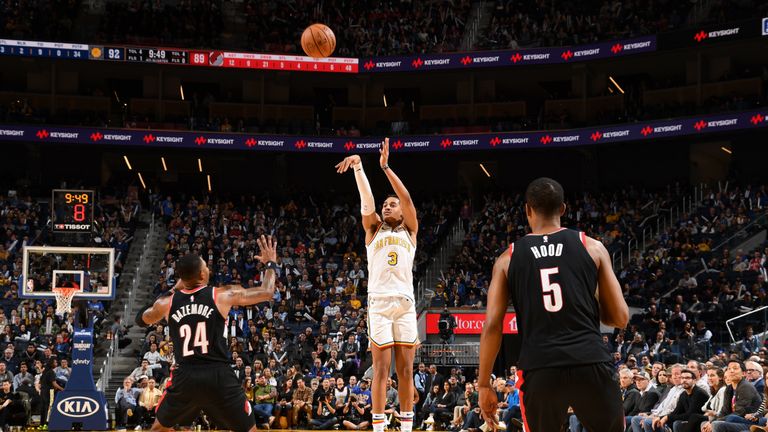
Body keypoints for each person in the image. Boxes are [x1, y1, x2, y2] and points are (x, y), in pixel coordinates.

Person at [477, 177, 629, 432]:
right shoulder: (593, 247)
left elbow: (492, 325)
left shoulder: (507, 258)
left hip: (539, 367)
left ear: (527, 210)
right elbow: (620, 318)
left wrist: (483, 384)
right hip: (590, 361)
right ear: (563, 209)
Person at [135, 236, 278, 432]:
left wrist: (173, 289)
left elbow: (141, 319)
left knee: (159, 428)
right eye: (205, 267)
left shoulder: (166, 303)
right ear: (202, 274)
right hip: (218, 373)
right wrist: (271, 263)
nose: (208, 269)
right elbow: (267, 292)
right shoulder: (221, 295)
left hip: (185, 375)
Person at [336, 137, 418, 432]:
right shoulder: (373, 229)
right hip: (380, 305)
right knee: (381, 371)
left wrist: (385, 167)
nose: (388, 206)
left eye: (392, 205)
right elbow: (366, 203)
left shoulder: (410, 230)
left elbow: (407, 199)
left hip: (405, 305)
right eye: (385, 204)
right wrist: (359, 167)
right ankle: (379, 428)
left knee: (406, 370)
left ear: (400, 213)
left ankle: (407, 428)